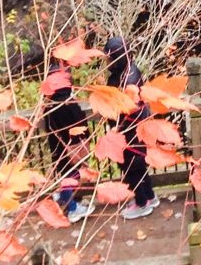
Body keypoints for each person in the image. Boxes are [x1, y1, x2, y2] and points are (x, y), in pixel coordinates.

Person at [104, 37, 159, 219]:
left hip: (129, 130)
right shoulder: (130, 70)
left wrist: (116, 127)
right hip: (135, 128)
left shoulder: (125, 79)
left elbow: (126, 107)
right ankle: (149, 196)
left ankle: (141, 202)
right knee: (139, 164)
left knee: (131, 166)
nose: (106, 61)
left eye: (109, 58)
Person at [41, 68, 93, 225]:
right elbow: (80, 122)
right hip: (72, 146)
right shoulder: (68, 103)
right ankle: (72, 208)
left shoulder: (50, 105)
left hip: (58, 147)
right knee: (72, 174)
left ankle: (65, 199)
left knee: (65, 174)